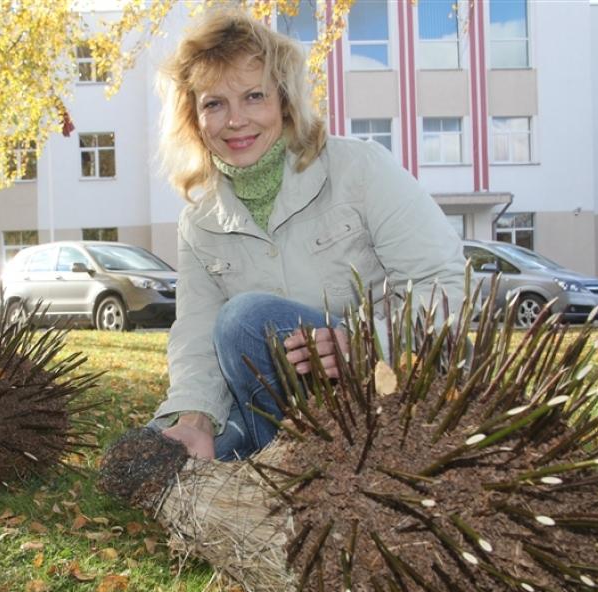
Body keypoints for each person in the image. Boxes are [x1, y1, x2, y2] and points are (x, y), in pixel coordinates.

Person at [150, 7, 466, 462]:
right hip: (277, 405)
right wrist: (194, 417)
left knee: (246, 318)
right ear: (194, 118)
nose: (235, 120)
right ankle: (290, 460)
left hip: (389, 384)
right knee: (161, 449)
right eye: (214, 103)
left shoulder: (360, 168)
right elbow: (197, 335)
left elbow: (447, 285)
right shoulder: (199, 222)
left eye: (253, 96)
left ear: (284, 100)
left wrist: (366, 342)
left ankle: (301, 462)